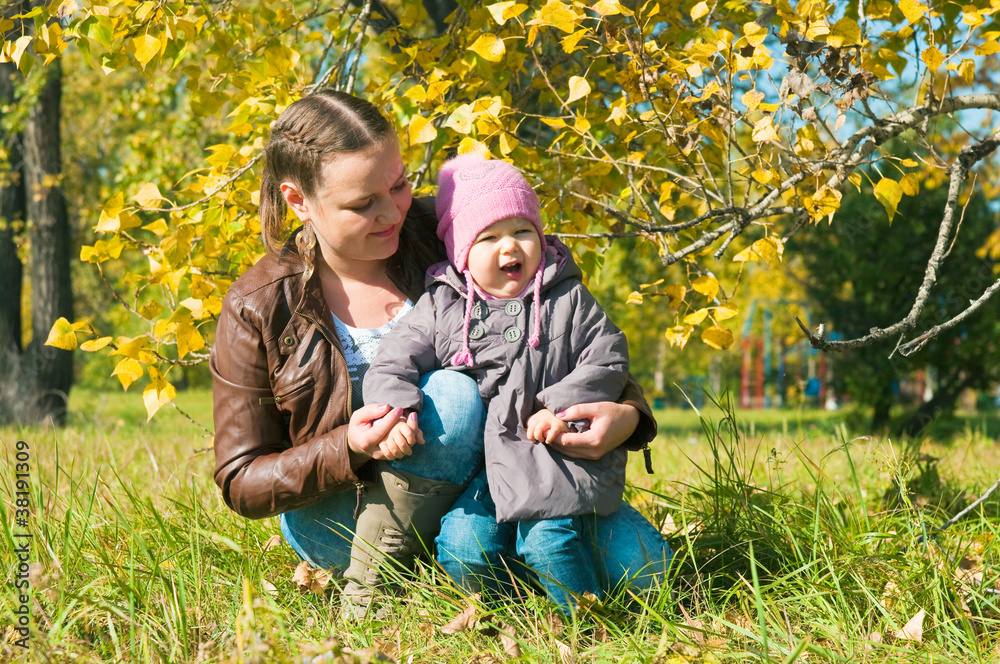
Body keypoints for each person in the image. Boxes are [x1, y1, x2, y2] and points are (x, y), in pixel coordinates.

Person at [209, 89, 669, 619]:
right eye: (363, 204)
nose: (392, 213)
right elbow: (242, 480)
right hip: (346, 516)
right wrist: (349, 445)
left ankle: (488, 566)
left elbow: (563, 322)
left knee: (646, 572)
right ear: (298, 201)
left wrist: (629, 417)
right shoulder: (260, 304)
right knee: (452, 394)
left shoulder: (456, 229)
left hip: (495, 483)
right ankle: (383, 581)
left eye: (399, 185)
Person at [362, 154, 631, 613]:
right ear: (462, 253)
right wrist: (396, 408)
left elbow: (607, 355)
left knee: (559, 543)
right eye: (489, 237)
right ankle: (512, 611)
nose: (511, 247)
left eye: (523, 231)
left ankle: (590, 623)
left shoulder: (567, 296)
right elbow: (393, 358)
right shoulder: (443, 305)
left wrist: (561, 407)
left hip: (554, 454)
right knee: (466, 548)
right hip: (487, 463)